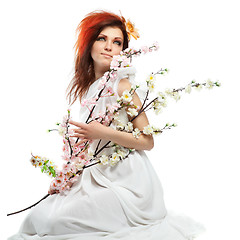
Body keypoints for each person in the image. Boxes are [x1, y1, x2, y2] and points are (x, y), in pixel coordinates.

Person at [8, 10, 204, 240]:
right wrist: (66, 178)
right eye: (102, 39)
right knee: (37, 218)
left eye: (117, 42)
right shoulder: (93, 88)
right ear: (89, 44)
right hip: (96, 172)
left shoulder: (122, 86)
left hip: (128, 182)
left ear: (123, 51)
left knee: (55, 221)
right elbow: (86, 149)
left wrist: (103, 132)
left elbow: (148, 141)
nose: (109, 47)